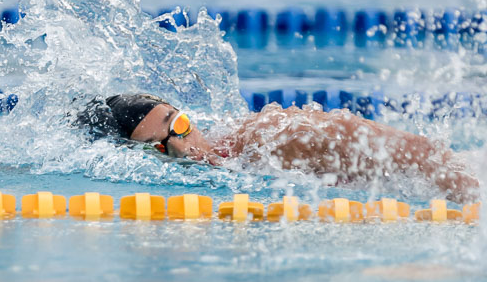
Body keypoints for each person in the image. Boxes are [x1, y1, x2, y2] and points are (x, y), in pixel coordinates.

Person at [76, 93, 480, 203]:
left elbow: (420, 151)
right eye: (161, 147)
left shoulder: (274, 136)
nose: (184, 144)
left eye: (179, 124)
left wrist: (474, 195)